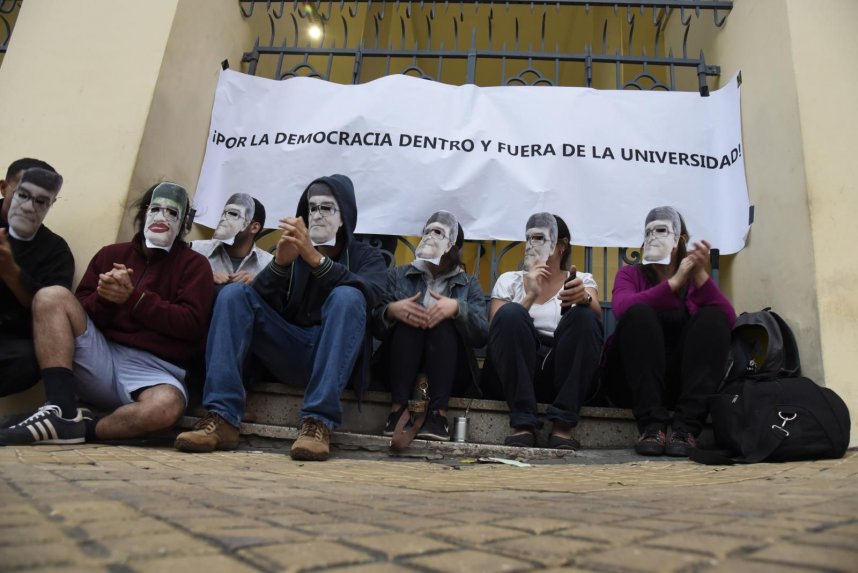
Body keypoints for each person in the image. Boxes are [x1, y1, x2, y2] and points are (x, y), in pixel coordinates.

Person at [174, 174, 386, 461]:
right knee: (234, 295)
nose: (317, 216)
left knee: (348, 295)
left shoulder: (367, 257)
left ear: (345, 215)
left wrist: (317, 260)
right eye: (312, 209)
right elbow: (258, 303)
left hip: (337, 359)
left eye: (327, 208)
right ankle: (222, 416)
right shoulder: (293, 252)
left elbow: (374, 295)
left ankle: (318, 422)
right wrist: (280, 265)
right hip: (291, 349)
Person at [0, 182, 214, 444]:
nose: (162, 217)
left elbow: (192, 325)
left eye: (172, 213)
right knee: (50, 295)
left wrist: (135, 299)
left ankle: (78, 426)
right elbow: (78, 311)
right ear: (142, 214)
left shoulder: (195, 265)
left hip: (155, 371)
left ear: (183, 223)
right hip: (100, 355)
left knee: (164, 408)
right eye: (155, 208)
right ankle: (60, 406)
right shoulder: (111, 255)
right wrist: (106, 299)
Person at [604, 206, 735, 457]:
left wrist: (698, 275)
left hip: (678, 383)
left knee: (712, 317)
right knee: (639, 312)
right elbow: (622, 309)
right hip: (631, 382)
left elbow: (728, 320)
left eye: (661, 230)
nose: (653, 237)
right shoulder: (629, 275)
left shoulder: (694, 282)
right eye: (648, 232)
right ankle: (652, 427)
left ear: (680, 240)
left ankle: (685, 429)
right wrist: (673, 284)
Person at [484, 213, 602, 450]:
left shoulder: (579, 279)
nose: (531, 245)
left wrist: (583, 297)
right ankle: (523, 424)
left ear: (560, 246)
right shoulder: (510, 280)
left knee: (584, 315)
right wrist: (530, 296)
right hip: (514, 372)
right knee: (510, 314)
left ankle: (562, 426)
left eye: (539, 238)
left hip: (558, 373)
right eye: (528, 238)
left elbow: (596, 314)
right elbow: (496, 328)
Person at [373, 211, 487, 441]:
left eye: (439, 233)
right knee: (411, 317)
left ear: (453, 246)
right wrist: (392, 311)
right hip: (399, 364)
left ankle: (438, 416)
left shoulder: (469, 284)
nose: (431, 237)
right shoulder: (399, 275)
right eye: (428, 231)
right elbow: (374, 323)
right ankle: (397, 412)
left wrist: (456, 308)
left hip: (451, 370)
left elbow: (482, 334)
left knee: (442, 321)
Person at [0, 161, 74, 400]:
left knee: (30, 358)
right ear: (4, 188)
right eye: (23, 195)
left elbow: (52, 315)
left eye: (42, 201)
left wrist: (10, 271)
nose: (31, 208)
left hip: (8, 342)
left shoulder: (55, 250)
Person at [191, 193, 272, 292]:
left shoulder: (268, 265)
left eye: (233, 214)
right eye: (224, 213)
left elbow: (277, 302)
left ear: (254, 227)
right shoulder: (195, 249)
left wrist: (257, 284)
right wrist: (204, 278)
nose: (224, 218)